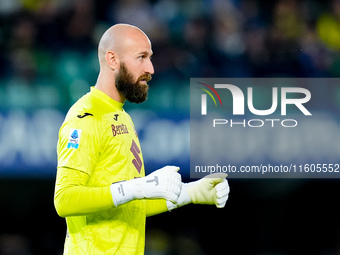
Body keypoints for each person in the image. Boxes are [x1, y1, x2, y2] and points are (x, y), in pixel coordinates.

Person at [54, 23, 230, 255]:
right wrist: (137, 186)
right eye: (141, 57)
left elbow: (129, 204)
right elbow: (65, 200)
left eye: (150, 58)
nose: (151, 68)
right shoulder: (86, 117)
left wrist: (191, 193)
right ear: (113, 60)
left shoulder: (122, 117)